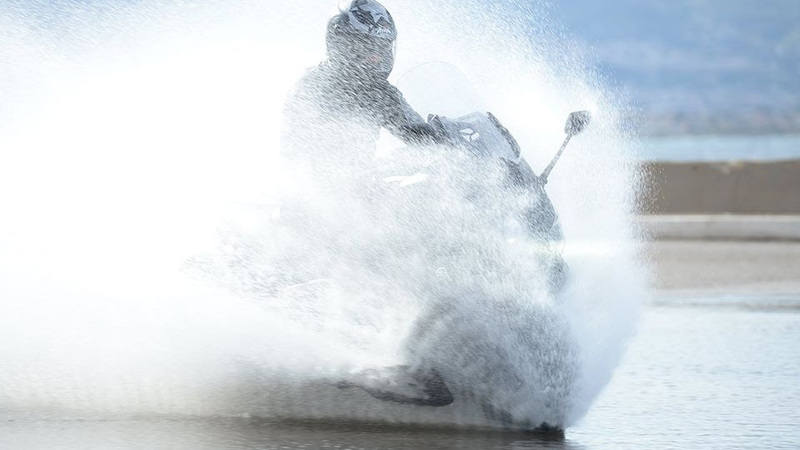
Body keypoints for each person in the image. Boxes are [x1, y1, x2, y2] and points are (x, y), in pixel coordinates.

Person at [280, 0, 442, 196]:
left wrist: (448, 139)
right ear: (341, 43)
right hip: (316, 199)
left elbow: (418, 134)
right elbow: (299, 153)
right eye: (367, 46)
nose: (377, 57)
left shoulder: (381, 93)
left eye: (382, 48)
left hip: (360, 192)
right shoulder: (312, 87)